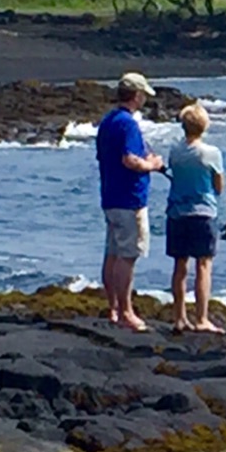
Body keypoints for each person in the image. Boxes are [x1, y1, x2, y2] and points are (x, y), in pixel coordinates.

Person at [94, 71, 164, 331]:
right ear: (136, 95)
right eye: (143, 94)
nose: (144, 98)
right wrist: (152, 165)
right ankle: (125, 311)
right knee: (127, 255)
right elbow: (131, 159)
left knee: (112, 253)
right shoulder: (128, 123)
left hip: (110, 195)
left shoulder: (108, 121)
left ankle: (113, 308)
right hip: (129, 198)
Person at [165, 102, 225, 334]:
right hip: (203, 212)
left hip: (177, 212)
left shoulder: (175, 151)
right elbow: (218, 186)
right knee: (204, 265)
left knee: (180, 266)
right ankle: (201, 317)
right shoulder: (211, 153)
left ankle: (179, 317)